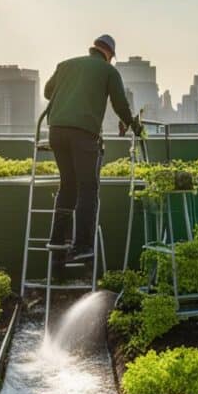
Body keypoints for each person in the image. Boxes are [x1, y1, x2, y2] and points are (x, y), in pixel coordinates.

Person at [43, 34, 142, 263]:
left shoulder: (66, 65)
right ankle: (82, 245)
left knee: (67, 185)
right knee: (88, 187)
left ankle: (57, 240)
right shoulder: (108, 71)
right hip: (83, 134)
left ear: (93, 48)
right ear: (109, 55)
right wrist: (134, 125)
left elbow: (48, 92)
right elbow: (120, 104)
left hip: (56, 131)